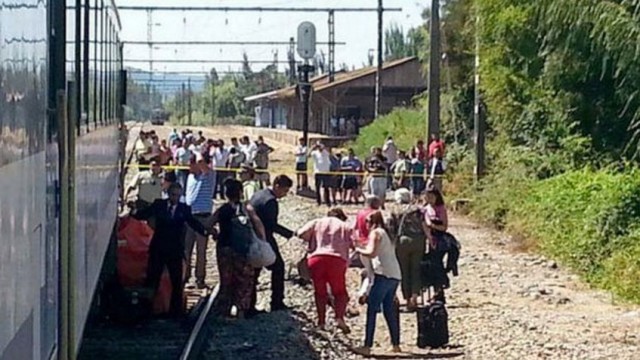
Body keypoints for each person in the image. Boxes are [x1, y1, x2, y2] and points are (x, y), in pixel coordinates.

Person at [130, 183, 209, 317]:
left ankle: (175, 313)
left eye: (178, 196)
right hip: (158, 249)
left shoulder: (184, 209)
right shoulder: (159, 205)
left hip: (175, 250)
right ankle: (146, 310)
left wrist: (206, 231)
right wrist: (132, 212)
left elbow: (192, 222)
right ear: (168, 194)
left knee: (176, 282)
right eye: (173, 195)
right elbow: (144, 214)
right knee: (152, 280)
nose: (175, 198)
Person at [210, 179, 266, 319]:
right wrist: (262, 241)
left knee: (226, 279)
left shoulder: (222, 209)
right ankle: (241, 311)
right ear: (240, 192)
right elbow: (258, 224)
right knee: (245, 280)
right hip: (242, 249)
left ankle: (225, 311)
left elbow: (208, 223)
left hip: (224, 248)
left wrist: (214, 233)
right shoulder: (246, 208)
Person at [296, 208, 353, 333]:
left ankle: (321, 322)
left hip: (316, 259)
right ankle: (339, 318)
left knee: (320, 292)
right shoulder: (345, 226)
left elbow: (301, 233)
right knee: (340, 292)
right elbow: (354, 243)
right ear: (342, 217)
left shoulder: (317, 222)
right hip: (337, 261)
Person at [354, 211, 402, 356]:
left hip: (383, 275)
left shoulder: (376, 232)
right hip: (394, 274)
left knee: (372, 309)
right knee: (388, 309)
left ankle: (367, 345)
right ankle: (396, 344)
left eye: (367, 222)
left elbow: (372, 253)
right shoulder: (387, 233)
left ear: (372, 222)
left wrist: (356, 249)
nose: (366, 224)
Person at [248, 175, 295, 314]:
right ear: (277, 186)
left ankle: (249, 305)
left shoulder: (259, 194)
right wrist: (290, 233)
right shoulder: (270, 201)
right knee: (278, 267)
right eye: (284, 191)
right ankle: (276, 302)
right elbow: (271, 225)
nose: (284, 194)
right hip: (263, 239)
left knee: (254, 272)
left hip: (252, 237)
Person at [389, 188, 429, 311]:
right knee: (416, 269)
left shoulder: (395, 209)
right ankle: (415, 298)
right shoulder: (417, 209)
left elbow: (391, 228)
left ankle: (407, 300)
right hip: (418, 241)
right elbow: (425, 225)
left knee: (404, 271)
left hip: (402, 242)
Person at [184, 152, 216, 289]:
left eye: (191, 165)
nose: (188, 168)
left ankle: (200, 278)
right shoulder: (191, 177)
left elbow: (203, 163)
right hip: (189, 216)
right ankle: (185, 276)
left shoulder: (208, 175)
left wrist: (196, 152)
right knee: (186, 249)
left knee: (201, 250)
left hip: (203, 217)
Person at [310, 143, 332, 207]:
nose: (319, 147)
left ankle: (328, 202)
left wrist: (323, 147)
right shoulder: (315, 153)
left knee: (326, 188)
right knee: (317, 188)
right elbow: (308, 155)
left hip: (326, 172)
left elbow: (330, 154)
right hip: (318, 172)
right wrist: (312, 147)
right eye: (318, 146)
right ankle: (318, 201)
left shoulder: (325, 152)